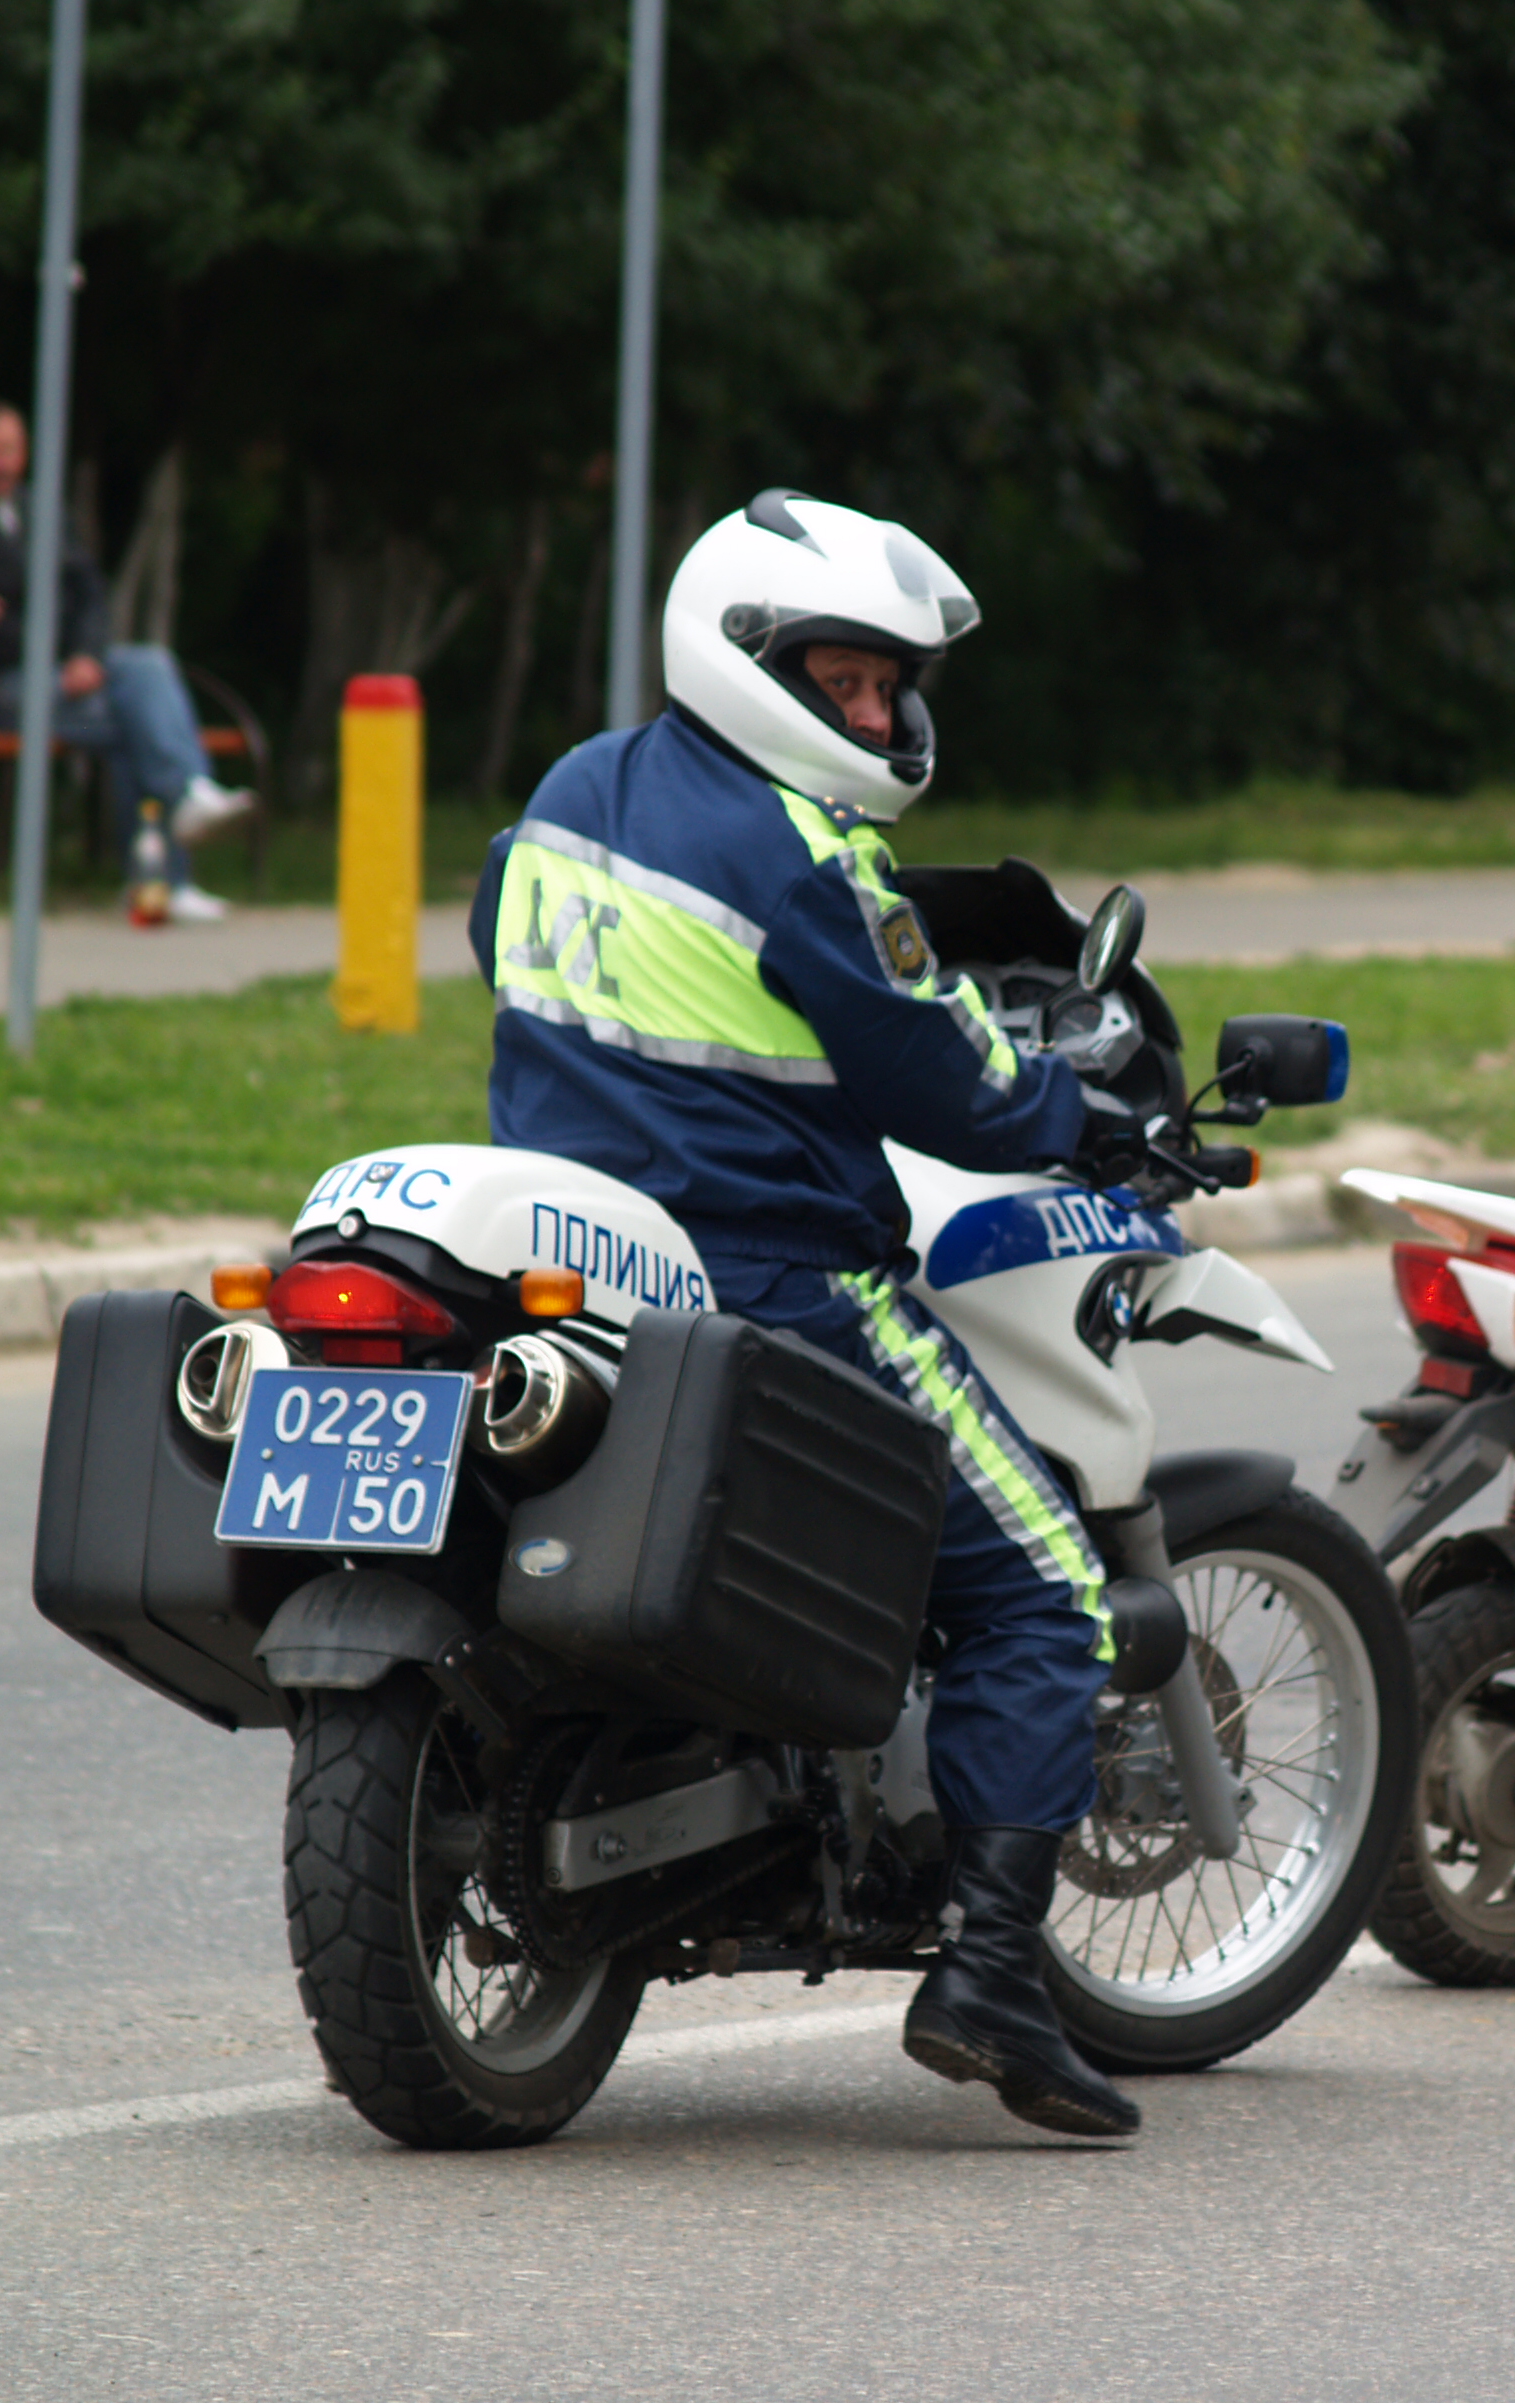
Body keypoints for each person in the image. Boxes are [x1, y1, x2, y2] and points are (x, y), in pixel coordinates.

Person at [468, 490, 1146, 2138]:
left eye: (884, 684)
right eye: (841, 680)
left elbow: (503, 926)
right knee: (1049, 1585)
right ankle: (987, 1971)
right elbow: (950, 1075)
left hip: (574, 1254)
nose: (873, 713)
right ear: (747, 657)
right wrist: (1093, 1109)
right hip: (774, 1274)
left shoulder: (570, 793)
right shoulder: (804, 854)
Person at [0, 401, 253, 921]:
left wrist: (87, 655)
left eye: (7, 451)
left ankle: (182, 819)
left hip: (59, 674)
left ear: (23, 454)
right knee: (137, 721)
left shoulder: (40, 508)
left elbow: (88, 590)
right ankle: (167, 865)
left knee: (149, 665)